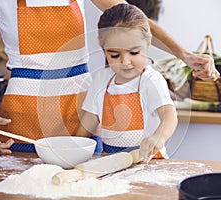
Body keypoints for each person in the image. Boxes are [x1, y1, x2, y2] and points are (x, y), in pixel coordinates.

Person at [0, 0, 218, 156]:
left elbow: (133, 21)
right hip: (22, 120)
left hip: (80, 113)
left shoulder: (114, 84)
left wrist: (184, 54)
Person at [76, 4, 178, 162]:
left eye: (134, 52)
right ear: (104, 51)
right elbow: (90, 120)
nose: (125, 62)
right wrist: (74, 147)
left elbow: (169, 115)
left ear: (148, 44)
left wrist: (160, 136)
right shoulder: (101, 79)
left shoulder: (150, 80)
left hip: (148, 163)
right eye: (115, 55)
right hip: (111, 162)